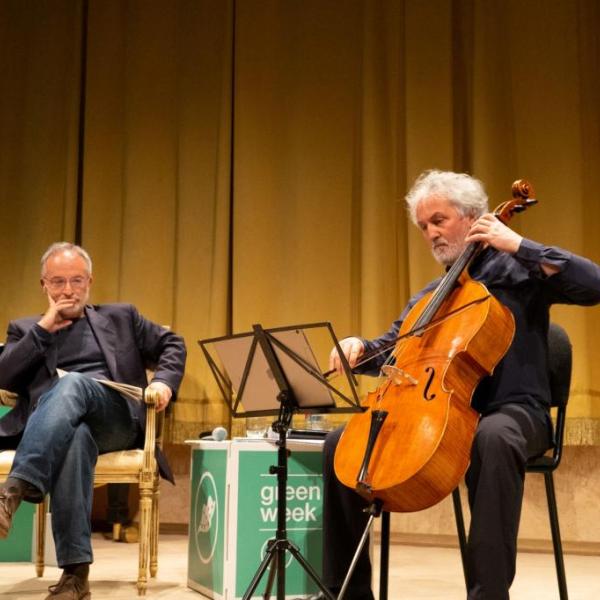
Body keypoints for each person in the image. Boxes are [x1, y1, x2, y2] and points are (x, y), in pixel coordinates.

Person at [323, 170, 600, 600]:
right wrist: (359, 348)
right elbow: (394, 350)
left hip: (513, 413)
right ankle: (346, 592)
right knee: (340, 445)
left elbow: (593, 284)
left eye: (439, 220)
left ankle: (488, 595)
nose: (431, 233)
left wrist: (520, 245)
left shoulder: (519, 270)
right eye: (423, 227)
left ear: (472, 218)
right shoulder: (430, 296)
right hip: (440, 415)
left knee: (492, 437)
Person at [0, 242, 186, 600]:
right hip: (60, 427)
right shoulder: (25, 329)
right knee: (75, 438)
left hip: (116, 418)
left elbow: (173, 344)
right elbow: (5, 378)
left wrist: (162, 381)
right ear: (44, 285)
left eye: (76, 281)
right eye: (58, 282)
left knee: (73, 384)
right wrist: (43, 329)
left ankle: (12, 493)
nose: (67, 290)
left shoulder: (121, 317)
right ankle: (75, 577)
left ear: (89, 282)